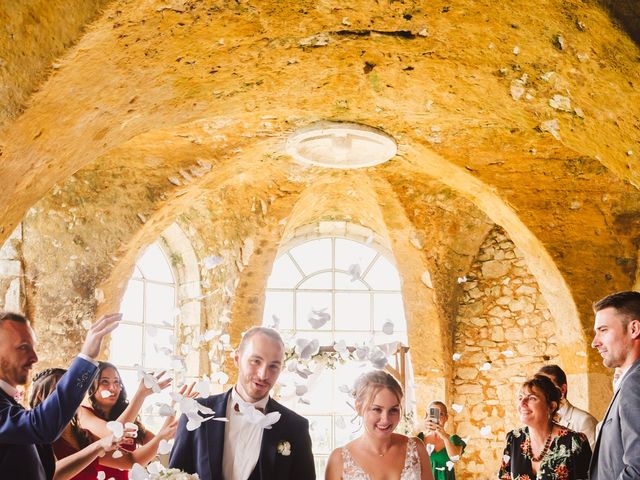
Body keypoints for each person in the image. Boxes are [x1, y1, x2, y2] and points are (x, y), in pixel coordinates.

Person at [169, 326, 316, 479]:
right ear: (237, 358)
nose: (263, 374)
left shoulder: (295, 427)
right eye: (256, 361)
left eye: (273, 366)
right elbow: (174, 475)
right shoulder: (195, 412)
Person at [0, 311, 120, 480]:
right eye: (22, 347)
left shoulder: (11, 405)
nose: (34, 358)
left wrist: (99, 446)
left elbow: (50, 475)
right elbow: (40, 426)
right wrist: (86, 358)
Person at [77, 361, 178, 480]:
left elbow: (159, 443)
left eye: (116, 382)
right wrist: (141, 395)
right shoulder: (83, 413)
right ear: (91, 386)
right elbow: (113, 433)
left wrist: (173, 408)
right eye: (105, 381)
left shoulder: (129, 417)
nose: (113, 388)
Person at [325, 370, 434, 480]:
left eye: (393, 410)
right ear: (359, 407)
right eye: (377, 409)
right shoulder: (338, 460)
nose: (385, 419)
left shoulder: (416, 448)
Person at [498, 374, 591, 480]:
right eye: (520, 398)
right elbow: (504, 477)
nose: (522, 403)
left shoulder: (574, 442)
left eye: (532, 398)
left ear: (551, 406)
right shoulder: (514, 438)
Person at [589, 291, 640, 480]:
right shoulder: (629, 381)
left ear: (634, 329)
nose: (595, 343)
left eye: (603, 330)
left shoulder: (635, 384)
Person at [537, 364, 598, 449]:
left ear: (562, 389)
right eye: (539, 387)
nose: (542, 392)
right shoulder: (537, 421)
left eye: (548, 387)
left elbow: (592, 460)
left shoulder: (584, 421)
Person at [417, 401, 465, 480]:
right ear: (427, 416)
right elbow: (404, 450)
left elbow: (455, 458)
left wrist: (445, 438)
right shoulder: (420, 438)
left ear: (446, 418)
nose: (437, 417)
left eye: (441, 414)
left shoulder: (454, 439)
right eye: (433, 414)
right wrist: (419, 427)